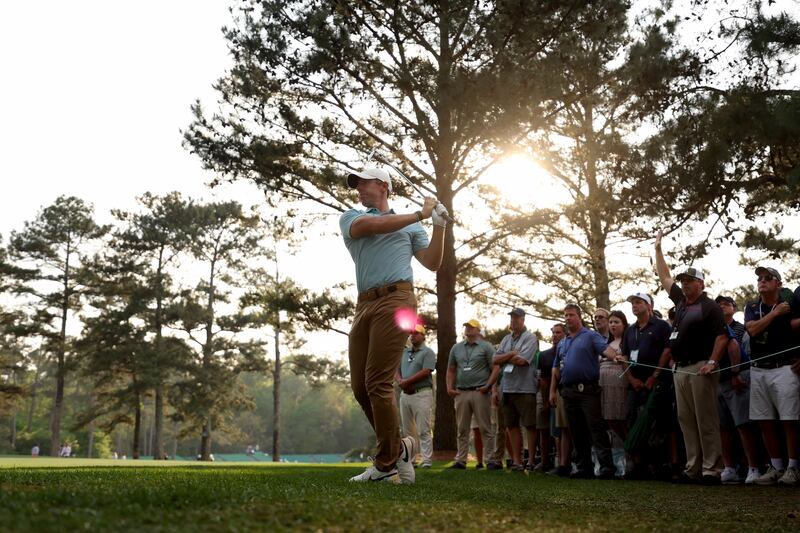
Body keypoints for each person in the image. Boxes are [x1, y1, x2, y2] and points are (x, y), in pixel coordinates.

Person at [340, 166, 446, 484]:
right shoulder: (351, 217)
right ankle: (401, 448)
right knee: (361, 388)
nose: (358, 187)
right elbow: (372, 226)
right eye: (355, 184)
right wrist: (419, 214)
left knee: (378, 382)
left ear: (383, 186)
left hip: (398, 300)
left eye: (364, 182)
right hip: (364, 304)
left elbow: (432, 262)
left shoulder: (411, 227)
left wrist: (439, 225)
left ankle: (386, 465)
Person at [655, 230, 727, 484]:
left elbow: (722, 336)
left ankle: (711, 470)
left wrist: (711, 362)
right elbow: (663, 275)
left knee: (706, 419)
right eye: (683, 280)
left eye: (690, 280)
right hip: (680, 369)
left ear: (701, 284)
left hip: (700, 367)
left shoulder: (710, 307)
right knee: (686, 420)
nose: (684, 284)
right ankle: (693, 467)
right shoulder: (681, 302)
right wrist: (658, 250)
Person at [744, 266, 800, 486]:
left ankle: (793, 468)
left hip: (785, 367)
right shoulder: (751, 306)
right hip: (758, 368)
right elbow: (752, 330)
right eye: (760, 278)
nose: (762, 281)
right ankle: (776, 466)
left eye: (768, 278)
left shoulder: (793, 305)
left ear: (779, 283)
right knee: (764, 420)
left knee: (790, 419)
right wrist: (775, 314)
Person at [552, 303, 619, 479]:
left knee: (596, 429)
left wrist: (616, 356)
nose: (568, 318)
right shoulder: (563, 342)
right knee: (576, 430)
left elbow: (606, 350)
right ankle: (584, 468)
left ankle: (606, 467)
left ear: (579, 316)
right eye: (565, 315)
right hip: (568, 391)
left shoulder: (590, 336)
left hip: (588, 390)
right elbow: (556, 368)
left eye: (571, 315)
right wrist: (553, 390)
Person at [621, 292, 678, 480]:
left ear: (649, 305)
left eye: (638, 302)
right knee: (633, 421)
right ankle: (638, 465)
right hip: (635, 384)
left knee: (661, 424)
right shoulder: (630, 330)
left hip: (658, 383)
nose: (634, 305)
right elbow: (625, 356)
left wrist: (655, 375)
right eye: (632, 303)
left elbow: (668, 350)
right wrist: (631, 379)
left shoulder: (661, 326)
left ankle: (665, 465)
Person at [715, 295, 760, 485]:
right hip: (718, 380)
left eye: (727, 304)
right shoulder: (713, 329)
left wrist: (736, 374)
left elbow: (738, 348)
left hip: (739, 376)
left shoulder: (740, 328)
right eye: (719, 305)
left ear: (734, 308)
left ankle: (753, 467)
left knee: (743, 424)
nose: (723, 307)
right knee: (723, 427)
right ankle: (729, 468)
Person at [447, 319, 498, 469]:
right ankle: (461, 459)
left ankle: (490, 460)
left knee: (485, 427)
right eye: (466, 327)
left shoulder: (486, 347)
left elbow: (496, 367)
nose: (468, 329)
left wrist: (488, 385)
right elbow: (451, 369)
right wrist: (449, 387)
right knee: (462, 429)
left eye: (471, 327)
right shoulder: (456, 348)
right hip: (461, 392)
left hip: (480, 392)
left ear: (478, 330)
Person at [493, 308, 540, 471]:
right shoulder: (506, 339)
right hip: (507, 388)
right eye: (512, 318)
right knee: (511, 425)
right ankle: (517, 461)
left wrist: (506, 357)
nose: (513, 321)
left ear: (523, 320)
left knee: (529, 425)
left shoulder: (531, 338)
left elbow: (522, 361)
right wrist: (512, 353)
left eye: (516, 318)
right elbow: (495, 359)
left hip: (525, 388)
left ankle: (532, 461)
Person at [396, 324, 437, 468]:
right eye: (411, 333)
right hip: (405, 395)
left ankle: (426, 460)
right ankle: (411, 460)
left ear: (423, 336)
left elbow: (426, 371)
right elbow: (396, 369)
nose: (413, 336)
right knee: (408, 430)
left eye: (417, 333)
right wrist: (400, 381)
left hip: (422, 394)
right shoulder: (404, 353)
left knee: (423, 429)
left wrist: (407, 381)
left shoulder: (428, 352)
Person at [534, 323, 565, 472]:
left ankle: (562, 462)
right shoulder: (544, 355)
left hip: (564, 393)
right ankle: (545, 461)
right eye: (553, 333)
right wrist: (546, 399)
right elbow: (542, 379)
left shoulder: (568, 351)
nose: (555, 335)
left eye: (558, 333)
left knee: (560, 430)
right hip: (547, 394)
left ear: (565, 334)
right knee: (545, 428)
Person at [600, 310, 629, 445]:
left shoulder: (627, 341)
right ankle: (623, 446)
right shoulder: (605, 343)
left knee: (621, 416)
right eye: (611, 322)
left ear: (624, 324)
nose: (613, 325)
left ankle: (630, 446)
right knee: (609, 417)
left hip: (620, 384)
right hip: (605, 385)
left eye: (616, 322)